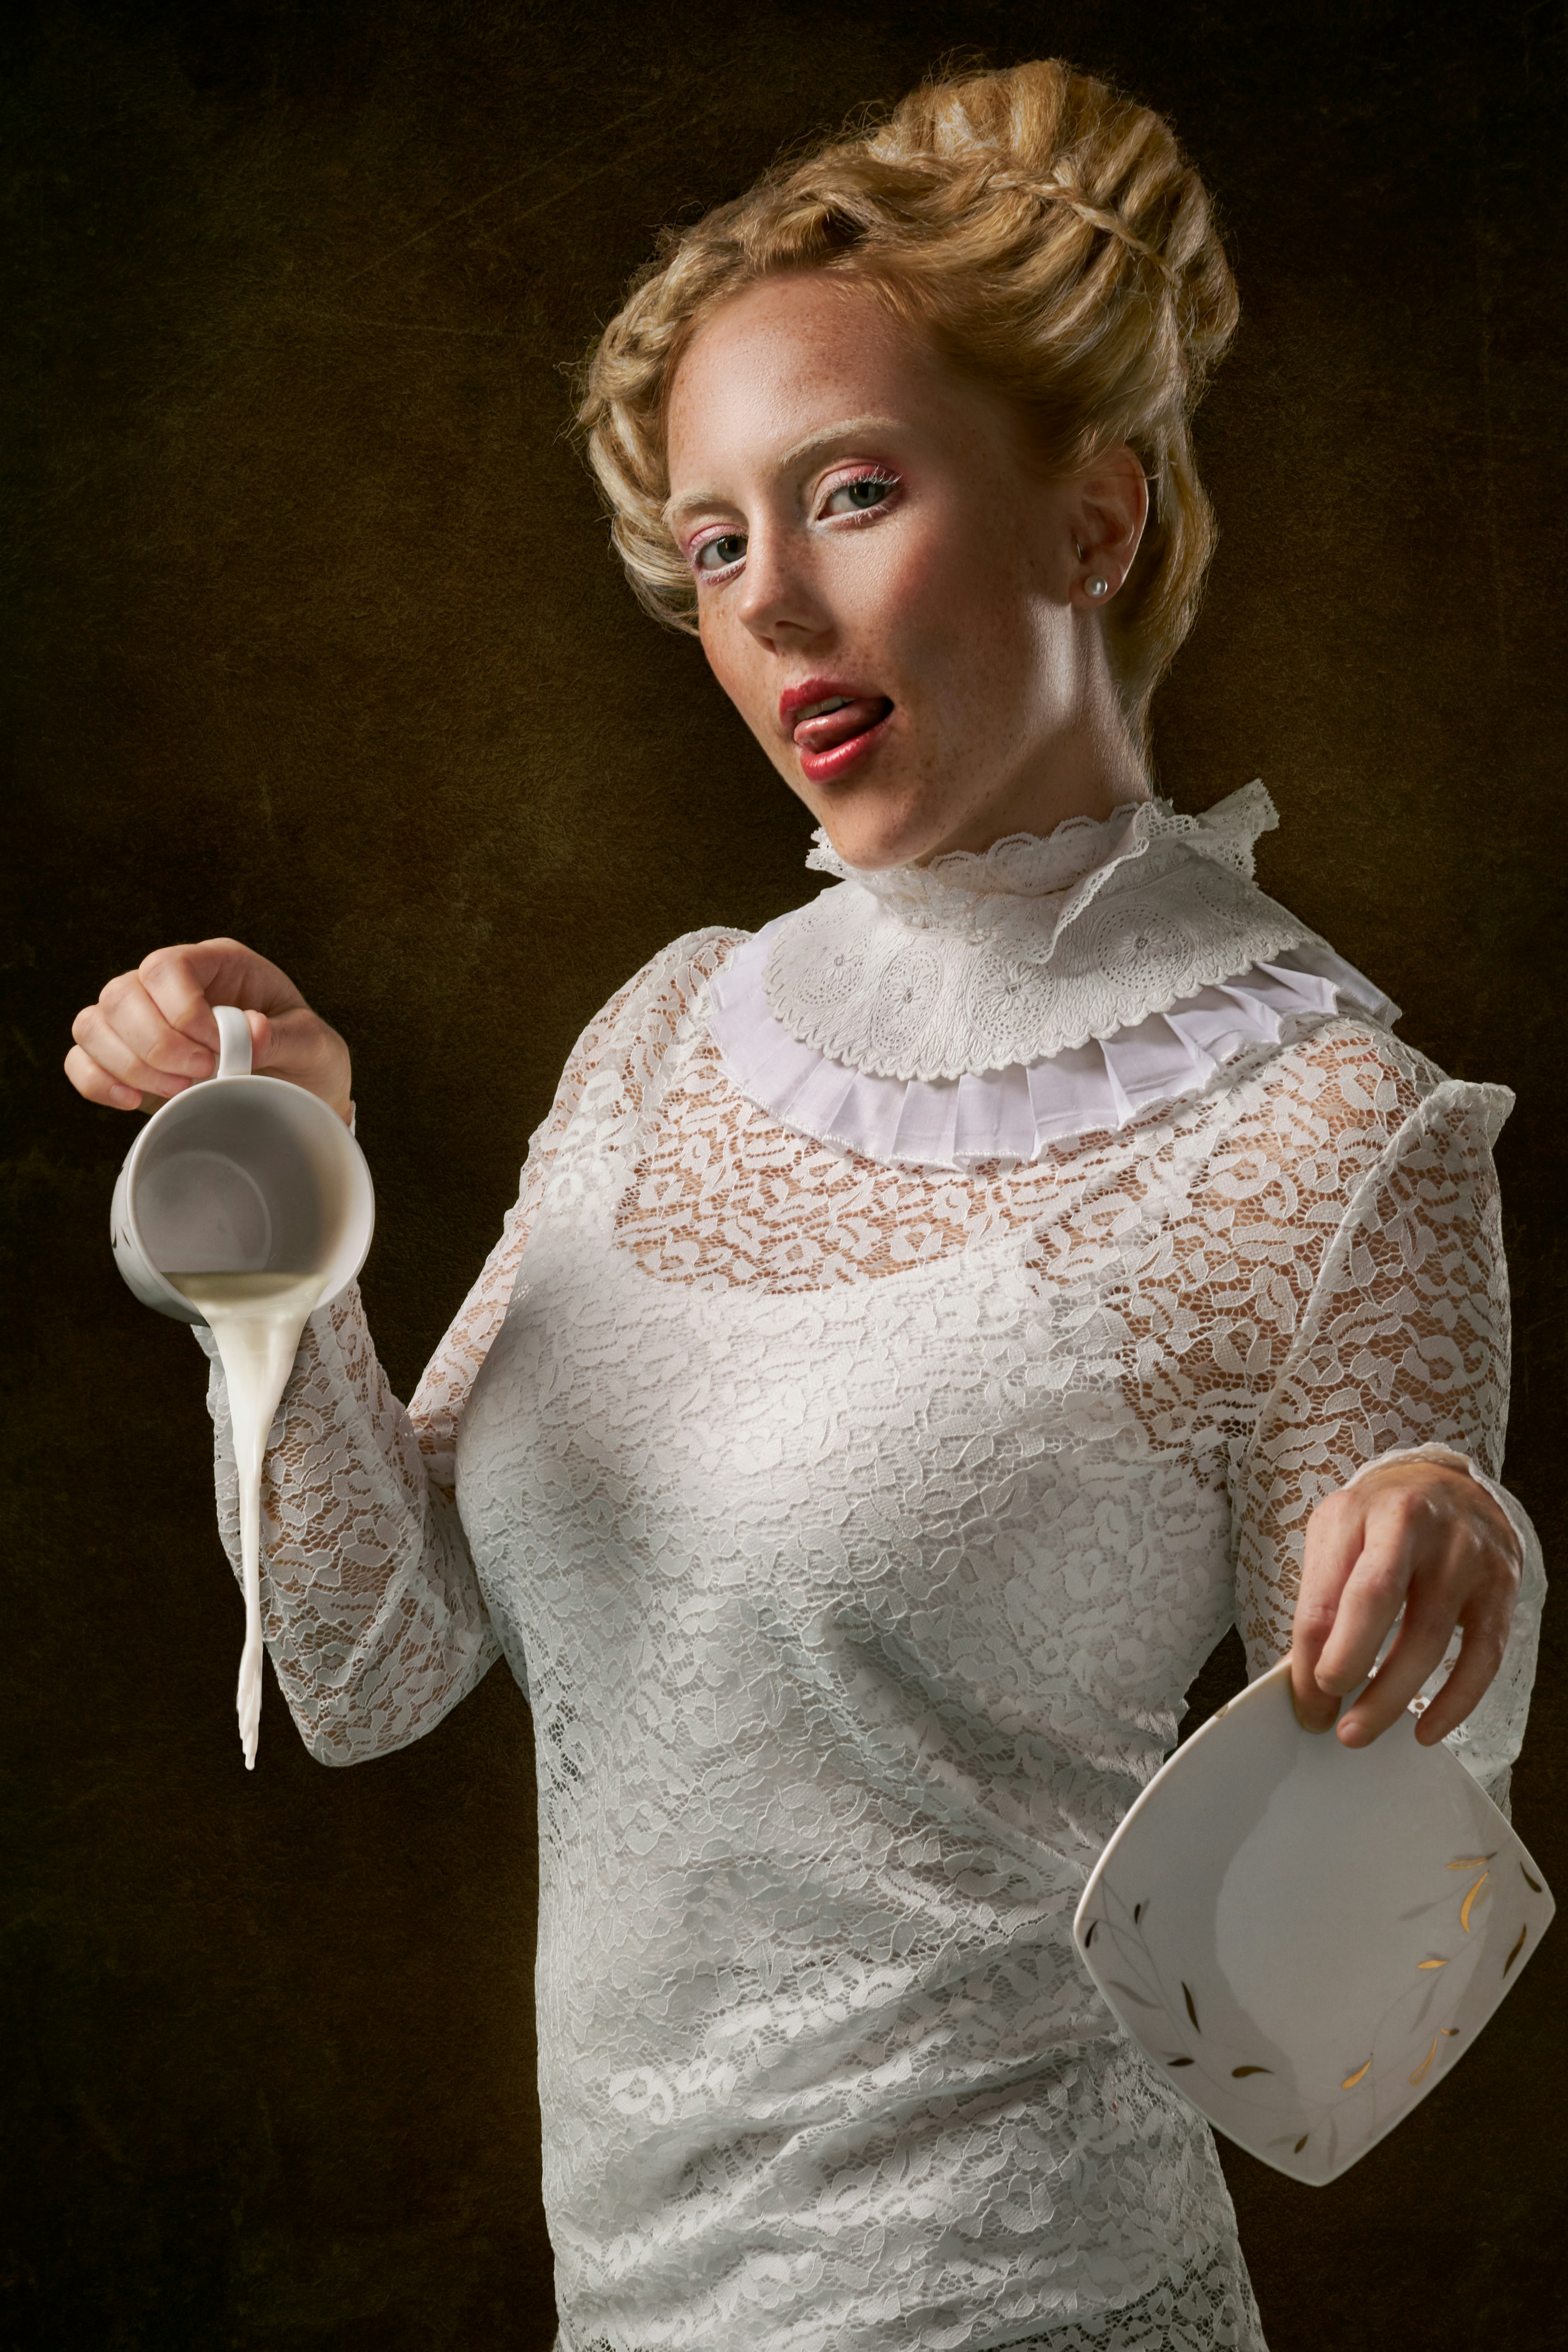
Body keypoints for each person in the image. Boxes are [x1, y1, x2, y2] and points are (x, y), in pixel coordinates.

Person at [64, 58, 1544, 2352]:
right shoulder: (669, 1031)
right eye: (719, 538)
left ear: (1097, 521)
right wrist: (287, 1203)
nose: (770, 605)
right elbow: (370, 1665)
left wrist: (1466, 1555)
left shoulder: (1315, 1124)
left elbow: (1373, 1903)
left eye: (849, 493)